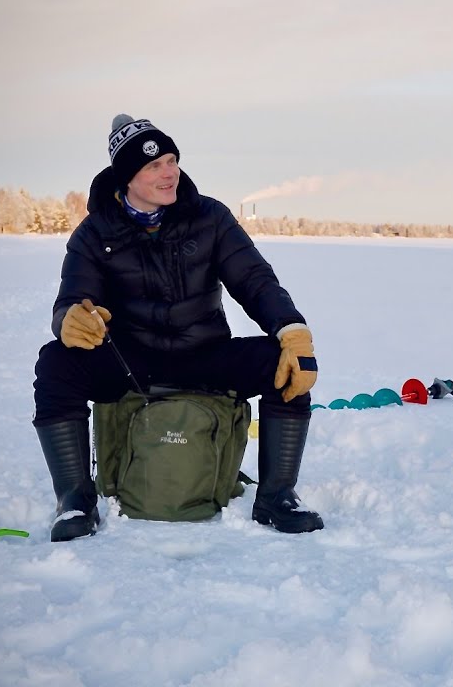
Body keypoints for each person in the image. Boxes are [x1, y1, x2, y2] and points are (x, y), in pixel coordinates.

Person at [32, 114, 324, 542]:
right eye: (153, 166)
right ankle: (75, 501)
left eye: (171, 160)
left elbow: (254, 280)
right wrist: (71, 320)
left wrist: (291, 329)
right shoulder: (95, 233)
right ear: (126, 177)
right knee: (56, 363)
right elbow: (73, 299)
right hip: (132, 363)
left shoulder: (210, 217)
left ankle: (277, 497)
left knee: (283, 363)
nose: (169, 172)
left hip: (204, 356)